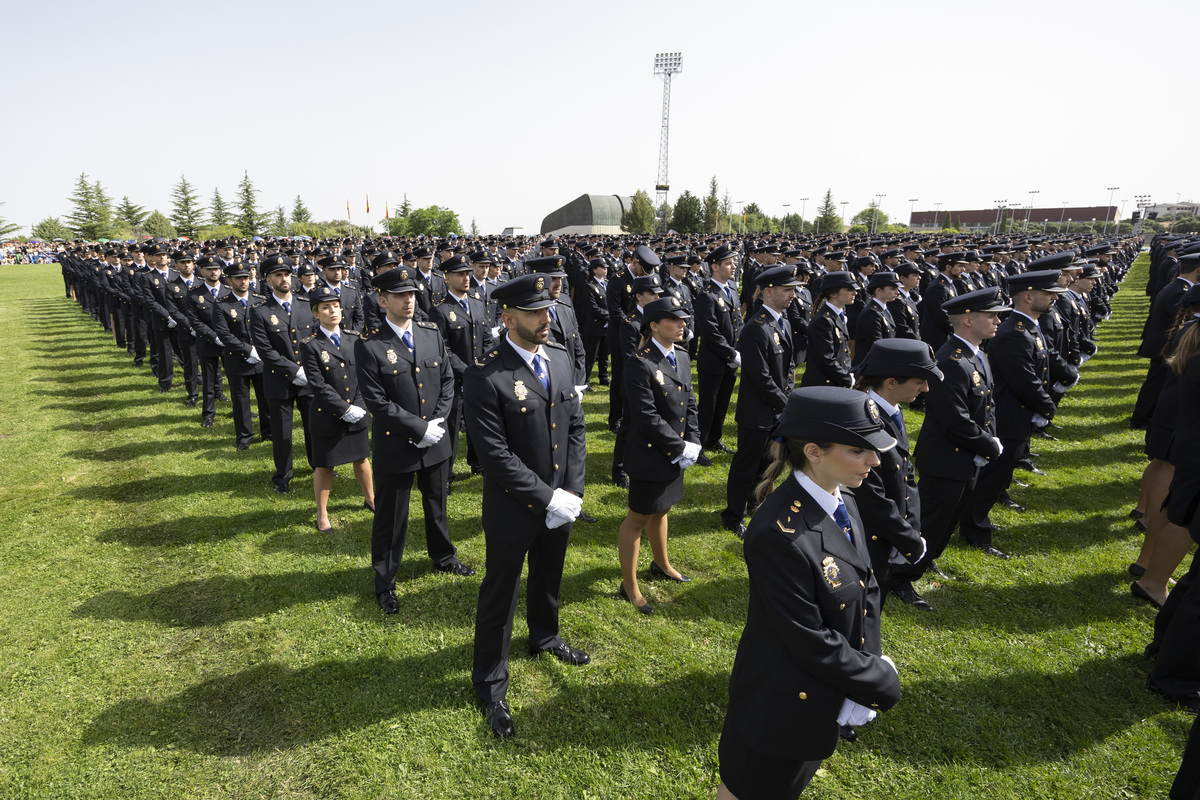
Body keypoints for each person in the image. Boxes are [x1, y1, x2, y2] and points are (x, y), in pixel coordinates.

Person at [716, 386, 902, 800]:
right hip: (780, 706)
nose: (874, 460)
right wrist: (877, 678)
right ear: (814, 452)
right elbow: (807, 638)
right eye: (859, 450)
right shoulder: (777, 534)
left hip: (822, 694)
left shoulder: (843, 500)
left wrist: (861, 670)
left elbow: (864, 591)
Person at [465, 274, 589, 739]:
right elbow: (494, 456)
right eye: (535, 312)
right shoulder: (486, 376)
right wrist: (546, 496)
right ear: (508, 317)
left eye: (548, 310)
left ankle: (545, 635)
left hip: (560, 501)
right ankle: (491, 681)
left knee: (549, 574)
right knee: (501, 593)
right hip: (515, 508)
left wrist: (572, 491)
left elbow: (575, 427)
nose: (546, 318)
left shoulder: (557, 359)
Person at [356, 266, 474, 615]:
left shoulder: (430, 332)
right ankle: (385, 581)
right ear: (382, 300)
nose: (408, 300)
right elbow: (376, 400)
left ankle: (443, 555)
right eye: (399, 295)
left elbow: (448, 380)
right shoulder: (371, 345)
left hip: (436, 438)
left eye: (411, 294)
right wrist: (417, 428)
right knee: (392, 517)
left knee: (437, 504)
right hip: (398, 443)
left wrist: (437, 420)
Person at [895, 287, 1008, 602]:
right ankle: (901, 578)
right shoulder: (951, 360)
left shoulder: (977, 353)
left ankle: (926, 560)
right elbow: (954, 420)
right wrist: (988, 445)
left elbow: (987, 404)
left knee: (948, 518)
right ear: (968, 320)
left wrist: (989, 440)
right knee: (931, 519)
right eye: (991, 315)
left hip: (966, 455)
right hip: (946, 458)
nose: (998, 320)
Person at [959, 271, 1074, 558]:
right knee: (990, 477)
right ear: (1028, 296)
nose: (1055, 297)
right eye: (1049, 293)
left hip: (1019, 415)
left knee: (999, 475)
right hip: (1010, 415)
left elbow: (1043, 365)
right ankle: (974, 529)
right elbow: (1025, 381)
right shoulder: (1014, 333)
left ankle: (978, 519)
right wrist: (1047, 407)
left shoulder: (1029, 326)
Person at [616, 296, 701, 614]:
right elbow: (646, 415)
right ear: (653, 326)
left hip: (675, 452)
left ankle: (661, 564)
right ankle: (630, 585)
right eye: (674, 320)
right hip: (651, 454)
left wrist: (692, 440)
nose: (682, 325)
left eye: (683, 320)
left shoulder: (680, 354)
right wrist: (679, 447)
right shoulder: (640, 362)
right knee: (637, 518)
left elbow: (690, 401)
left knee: (662, 510)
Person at [852, 339, 939, 606]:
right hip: (871, 537)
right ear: (890, 382)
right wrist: (905, 539)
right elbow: (871, 494)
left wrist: (910, 528)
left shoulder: (890, 412)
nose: (925, 387)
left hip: (889, 534)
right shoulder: (867, 421)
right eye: (919, 381)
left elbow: (905, 476)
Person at [721, 265, 799, 538]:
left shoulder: (783, 322)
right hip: (757, 411)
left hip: (777, 409)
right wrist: (786, 405)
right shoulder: (756, 327)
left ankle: (757, 502)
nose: (793, 295)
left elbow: (787, 367)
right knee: (747, 463)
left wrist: (787, 397)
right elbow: (760, 377)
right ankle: (733, 514)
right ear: (768, 291)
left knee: (768, 463)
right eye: (787, 290)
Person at [300, 285, 374, 532]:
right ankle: (322, 514)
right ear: (315, 313)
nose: (332, 311)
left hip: (357, 411)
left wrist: (360, 406)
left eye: (335, 306)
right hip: (328, 415)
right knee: (325, 465)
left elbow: (366, 377)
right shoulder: (310, 345)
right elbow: (318, 385)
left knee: (362, 458)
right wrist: (343, 408)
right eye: (325, 307)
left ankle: (371, 499)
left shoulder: (355, 339)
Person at [250, 253, 315, 493]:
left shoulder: (306, 305)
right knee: (282, 433)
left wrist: (308, 371)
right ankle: (283, 476)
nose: (284, 278)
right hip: (279, 380)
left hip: (308, 379)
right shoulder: (259, 311)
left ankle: (318, 465)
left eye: (287, 274)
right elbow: (265, 350)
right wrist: (294, 371)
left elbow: (315, 342)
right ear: (268, 280)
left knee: (313, 427)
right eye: (278, 275)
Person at [212, 261, 272, 450]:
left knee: (266, 398)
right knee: (241, 400)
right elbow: (224, 334)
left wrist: (260, 350)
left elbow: (268, 329)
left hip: (261, 359)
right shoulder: (221, 304)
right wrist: (248, 350)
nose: (243, 282)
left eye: (245, 278)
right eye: (238, 279)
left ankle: (268, 432)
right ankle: (244, 438)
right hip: (237, 359)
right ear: (229, 281)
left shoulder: (260, 300)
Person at [694, 244, 744, 456]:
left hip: (730, 359)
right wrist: (730, 353)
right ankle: (699, 446)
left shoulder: (731, 288)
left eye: (733, 262)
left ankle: (715, 438)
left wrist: (739, 348)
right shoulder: (707, 294)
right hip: (714, 360)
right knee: (708, 406)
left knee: (722, 403)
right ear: (715, 267)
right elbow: (710, 331)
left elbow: (737, 322)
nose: (734, 267)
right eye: (728, 263)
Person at [799, 270, 856, 388]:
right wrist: (846, 378)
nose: (854, 293)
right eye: (849, 289)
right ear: (833, 293)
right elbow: (826, 359)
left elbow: (843, 353)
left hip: (835, 381)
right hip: (823, 385)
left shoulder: (837, 316)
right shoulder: (823, 321)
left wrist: (848, 373)